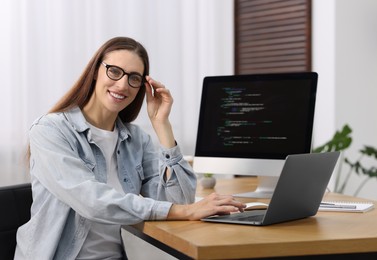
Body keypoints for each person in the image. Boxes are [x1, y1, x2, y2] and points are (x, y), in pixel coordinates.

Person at [14, 36, 245, 259]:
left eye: (134, 78)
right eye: (114, 71)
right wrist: (184, 211)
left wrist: (162, 126)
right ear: (96, 71)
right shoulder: (51, 130)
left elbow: (181, 200)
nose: (123, 84)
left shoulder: (136, 139)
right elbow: (91, 201)